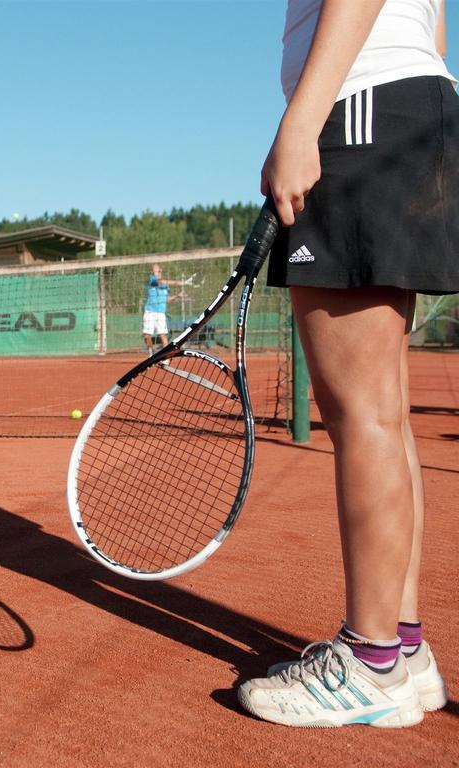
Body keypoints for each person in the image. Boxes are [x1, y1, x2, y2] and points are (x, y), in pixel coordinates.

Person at [237, 0, 456, 728]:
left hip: (359, 108)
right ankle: (404, 648)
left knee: (360, 413)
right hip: (410, 108)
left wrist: (302, 120)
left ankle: (371, 660)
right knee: (383, 413)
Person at [141, 264, 187, 354]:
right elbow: (160, 281)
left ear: (160, 270)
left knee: (163, 334)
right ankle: (151, 353)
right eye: (153, 269)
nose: (154, 269)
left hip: (161, 313)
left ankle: (165, 355)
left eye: (156, 268)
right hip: (149, 311)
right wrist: (179, 283)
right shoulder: (152, 279)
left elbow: (167, 299)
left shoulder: (166, 286)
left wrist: (178, 295)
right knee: (147, 335)